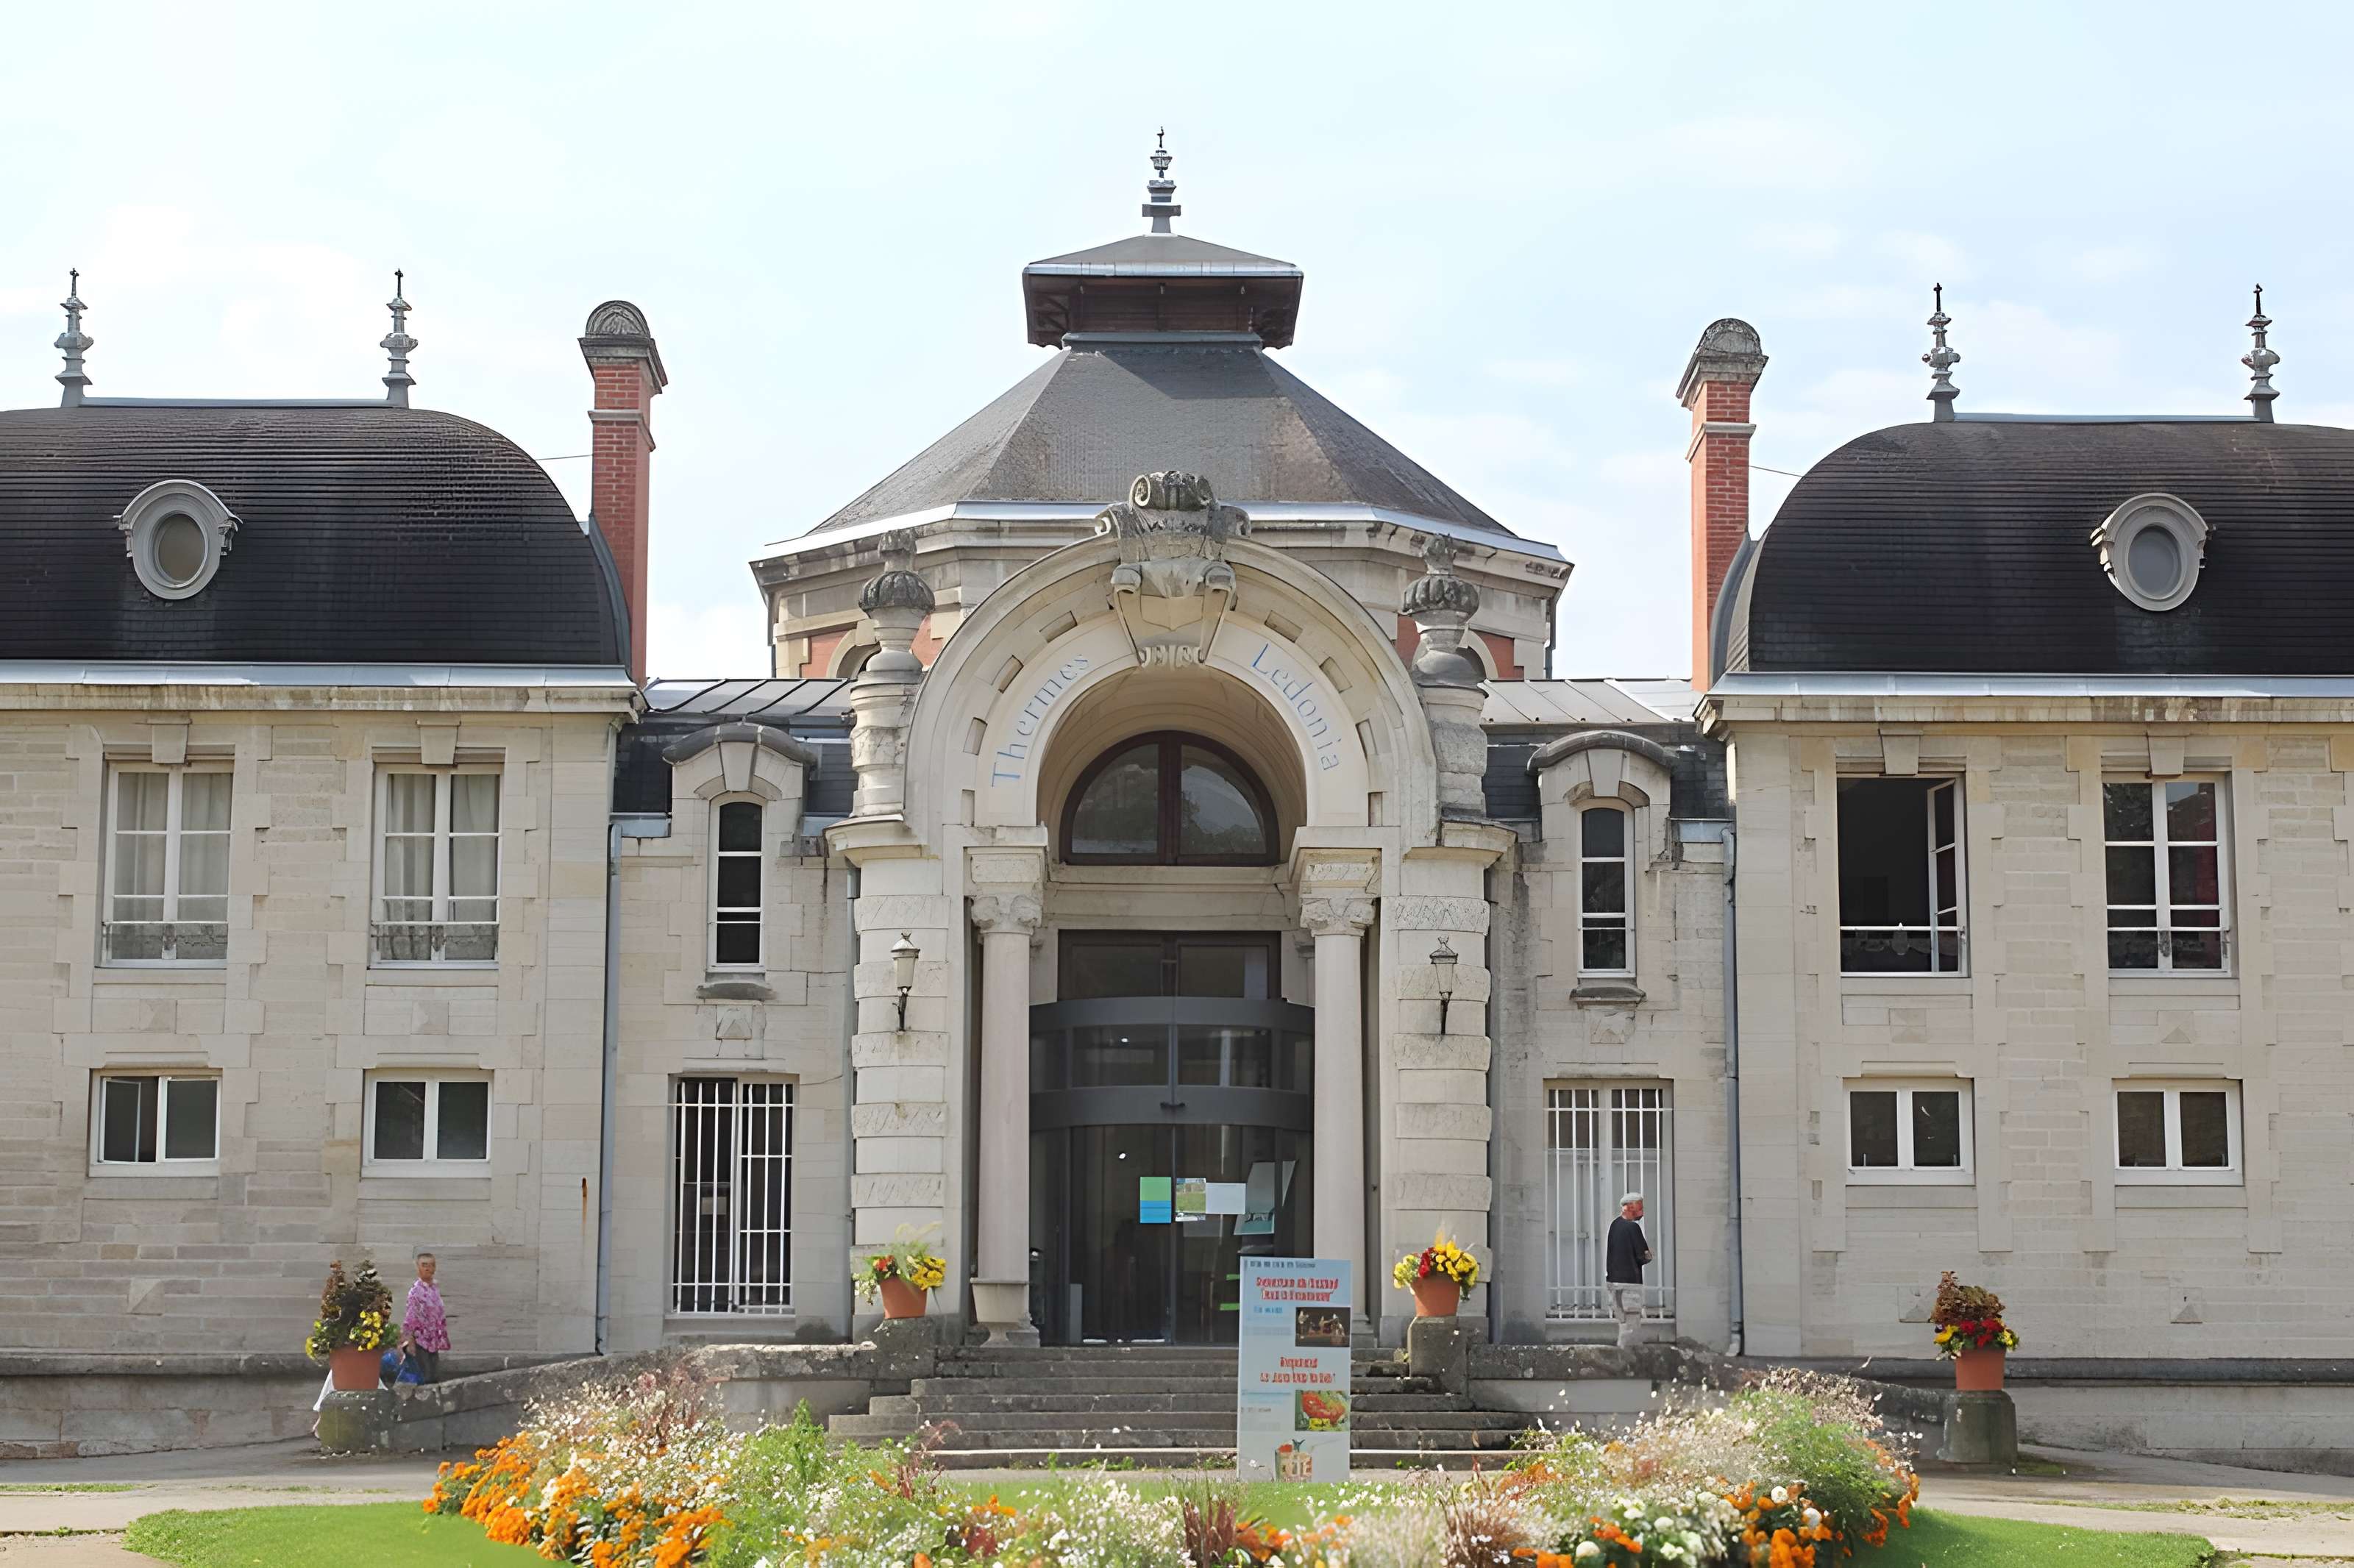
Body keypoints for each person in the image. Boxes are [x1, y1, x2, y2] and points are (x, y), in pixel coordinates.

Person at [1604, 1192, 1651, 1349]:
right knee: (1632, 1322)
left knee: (1623, 1322)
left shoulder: (1615, 1224)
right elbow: (1644, 1256)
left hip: (1614, 1283)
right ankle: (1627, 1360)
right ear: (1630, 1207)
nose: (1642, 1212)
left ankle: (1624, 1354)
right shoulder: (1633, 1228)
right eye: (1640, 1208)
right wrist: (1647, 1255)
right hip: (1630, 1283)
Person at [402, 1252, 449, 1383]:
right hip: (420, 1340)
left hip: (433, 1339)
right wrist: (409, 1339)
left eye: (431, 1265)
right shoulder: (416, 1291)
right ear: (418, 1268)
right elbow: (410, 1316)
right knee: (425, 1376)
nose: (428, 1268)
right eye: (424, 1265)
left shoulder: (434, 1289)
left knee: (434, 1375)